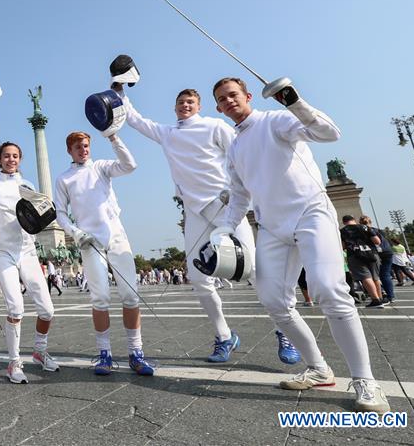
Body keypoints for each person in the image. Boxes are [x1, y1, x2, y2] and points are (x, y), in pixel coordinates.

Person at [212, 76, 388, 412]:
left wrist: (295, 102)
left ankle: (365, 380)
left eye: (233, 94)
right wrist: (223, 229)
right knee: (274, 301)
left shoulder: (276, 119)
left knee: (329, 291)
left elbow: (329, 133)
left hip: (310, 213)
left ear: (247, 95)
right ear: (219, 108)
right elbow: (238, 196)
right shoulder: (234, 148)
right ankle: (319, 368)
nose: (229, 101)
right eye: (222, 99)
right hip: (272, 227)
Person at [116, 84, 299, 365]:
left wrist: (240, 191)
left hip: (227, 208)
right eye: (180, 102)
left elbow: (240, 154)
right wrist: (119, 90)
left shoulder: (215, 126)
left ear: (199, 106)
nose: (184, 105)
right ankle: (224, 335)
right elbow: (135, 119)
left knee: (253, 271)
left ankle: (284, 331)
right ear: (175, 108)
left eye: (190, 101)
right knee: (200, 278)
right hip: (195, 213)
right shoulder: (168, 134)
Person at [55, 131, 154, 375]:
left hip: (116, 235)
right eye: (78, 147)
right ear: (70, 150)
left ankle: (136, 352)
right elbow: (60, 213)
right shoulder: (64, 178)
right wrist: (75, 233)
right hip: (90, 242)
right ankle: (104, 354)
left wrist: (113, 137)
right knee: (100, 299)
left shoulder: (101, 167)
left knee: (130, 295)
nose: (83, 149)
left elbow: (130, 165)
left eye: (86, 145)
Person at [0, 141, 60, 385]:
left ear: (20, 159)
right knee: (15, 308)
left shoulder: (28, 185)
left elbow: (40, 214)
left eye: (15, 156)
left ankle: (39, 352)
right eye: (6, 156)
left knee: (47, 310)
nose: (11, 160)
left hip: (28, 251)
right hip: (3, 253)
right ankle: (14, 362)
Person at [359, 216, 395, 304]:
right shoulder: (378, 230)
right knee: (384, 275)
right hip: (388, 252)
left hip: (377, 254)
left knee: (375, 276)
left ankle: (386, 296)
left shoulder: (366, 231)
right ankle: (389, 295)